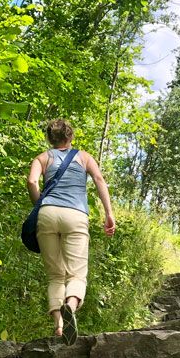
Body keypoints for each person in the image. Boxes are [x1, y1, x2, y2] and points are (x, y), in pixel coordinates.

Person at [27, 119, 116, 344]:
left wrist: (40, 204)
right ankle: (70, 306)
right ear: (71, 137)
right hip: (75, 215)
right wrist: (108, 213)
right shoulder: (83, 157)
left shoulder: (42, 158)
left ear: (49, 138)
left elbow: (31, 182)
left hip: (47, 213)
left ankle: (59, 326)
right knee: (76, 274)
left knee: (55, 274)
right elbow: (98, 179)